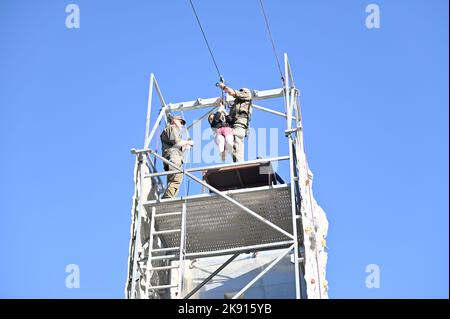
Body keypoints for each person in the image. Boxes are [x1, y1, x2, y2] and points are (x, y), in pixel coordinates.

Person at [160, 115, 193, 199]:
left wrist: (186, 144)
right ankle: (166, 200)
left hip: (172, 158)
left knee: (173, 183)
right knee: (176, 180)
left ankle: (168, 200)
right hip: (173, 158)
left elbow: (178, 147)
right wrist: (188, 142)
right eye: (180, 122)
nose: (182, 124)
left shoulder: (172, 131)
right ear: (174, 121)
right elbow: (177, 143)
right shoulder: (172, 128)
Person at [218, 82, 252, 162]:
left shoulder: (247, 95)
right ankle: (235, 162)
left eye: (242, 91)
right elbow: (230, 119)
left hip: (239, 126)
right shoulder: (235, 106)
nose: (241, 93)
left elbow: (232, 92)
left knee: (237, 145)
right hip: (235, 126)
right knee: (233, 146)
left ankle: (239, 165)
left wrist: (224, 87)